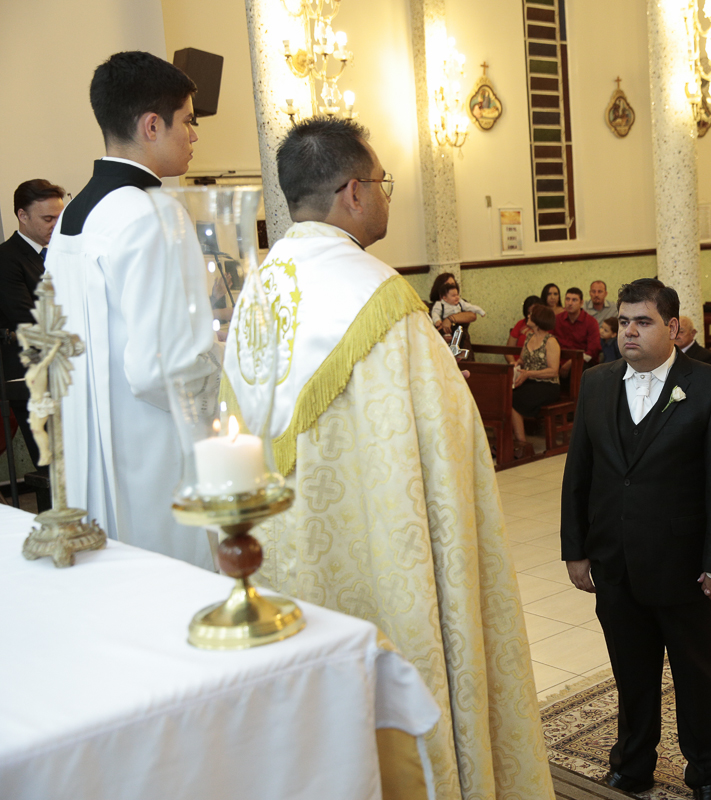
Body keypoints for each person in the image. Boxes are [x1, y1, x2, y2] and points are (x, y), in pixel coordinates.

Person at [223, 116, 553, 800]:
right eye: (382, 183)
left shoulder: (257, 288)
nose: (386, 197)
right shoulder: (376, 296)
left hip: (282, 555)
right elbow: (448, 435)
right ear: (351, 192)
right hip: (380, 559)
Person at [561, 278, 711, 800]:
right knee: (631, 670)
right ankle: (632, 760)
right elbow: (580, 470)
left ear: (671, 327)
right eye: (623, 322)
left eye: (642, 322)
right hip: (615, 559)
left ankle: (707, 769)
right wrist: (575, 548)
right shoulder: (598, 383)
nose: (629, 331)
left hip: (685, 565)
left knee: (696, 673)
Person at [52, 52, 219, 568]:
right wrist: (228, 389)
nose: (194, 136)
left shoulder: (72, 217)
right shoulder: (153, 213)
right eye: (188, 121)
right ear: (152, 125)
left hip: (88, 449)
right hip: (154, 456)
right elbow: (162, 370)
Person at [0, 179, 66, 466]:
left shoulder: (62, 254)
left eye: (59, 217)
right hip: (30, 378)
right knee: (52, 467)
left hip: (64, 370)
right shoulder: (6, 258)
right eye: (48, 218)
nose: (56, 225)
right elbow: (28, 318)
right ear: (22, 215)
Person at [511, 303, 561, 453]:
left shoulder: (551, 341)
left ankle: (522, 445)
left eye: (531, 314)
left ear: (539, 319)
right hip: (530, 382)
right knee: (504, 396)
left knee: (514, 400)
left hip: (548, 385)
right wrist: (516, 364)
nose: (528, 316)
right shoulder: (529, 336)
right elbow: (522, 359)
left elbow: (553, 371)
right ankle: (512, 442)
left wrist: (528, 373)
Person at [554, 286, 602, 370]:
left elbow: (593, 351)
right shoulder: (557, 319)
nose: (570, 303)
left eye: (574, 300)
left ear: (581, 303)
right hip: (558, 361)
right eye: (567, 299)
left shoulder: (591, 322)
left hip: (581, 363)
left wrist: (572, 362)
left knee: (579, 368)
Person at [429, 277, 485, 345]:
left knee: (459, 336)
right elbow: (435, 314)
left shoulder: (460, 302)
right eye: (447, 284)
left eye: (452, 284)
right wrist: (437, 321)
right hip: (441, 341)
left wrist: (449, 319)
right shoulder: (436, 305)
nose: (450, 287)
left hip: (461, 338)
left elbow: (472, 314)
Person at [506, 294, 543, 362]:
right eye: (529, 313)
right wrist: (513, 364)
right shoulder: (520, 324)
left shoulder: (544, 326)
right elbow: (508, 350)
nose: (530, 316)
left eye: (534, 313)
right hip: (518, 364)